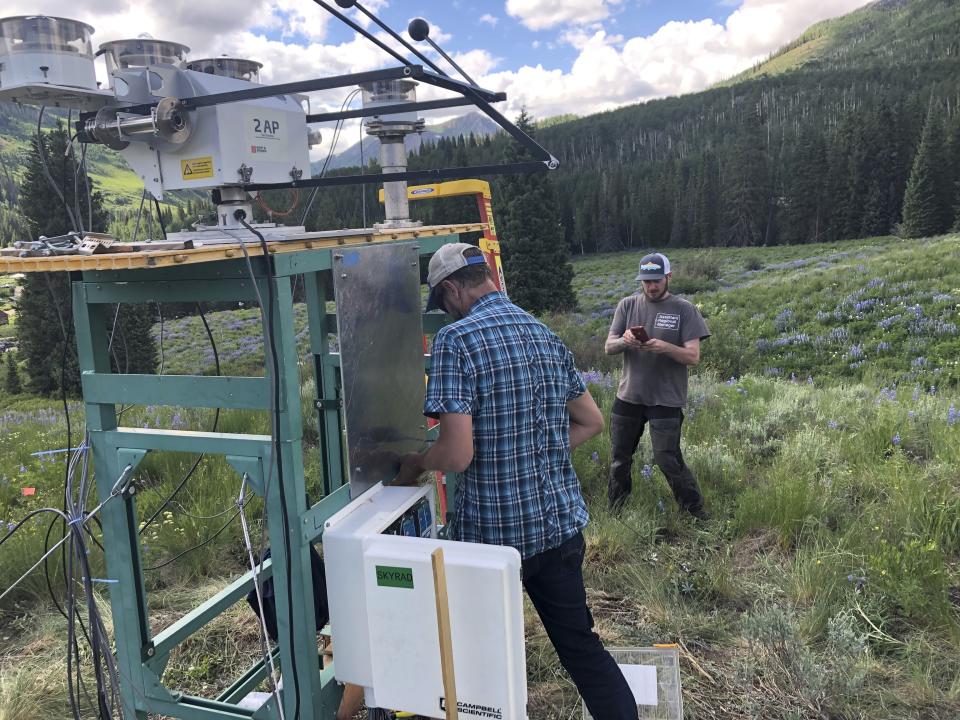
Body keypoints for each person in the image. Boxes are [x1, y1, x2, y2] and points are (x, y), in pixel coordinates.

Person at [396, 243, 638, 720]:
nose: (445, 314)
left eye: (442, 305)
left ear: (451, 290)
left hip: (493, 542)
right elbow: (589, 422)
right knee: (582, 650)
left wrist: (414, 464)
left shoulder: (457, 341)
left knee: (475, 663)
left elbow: (458, 456)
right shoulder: (543, 333)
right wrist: (532, 448)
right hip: (559, 529)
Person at [604, 252, 710, 519]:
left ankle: (695, 512)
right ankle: (615, 511)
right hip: (629, 396)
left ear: (668, 277)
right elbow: (609, 347)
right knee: (619, 459)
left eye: (657, 280)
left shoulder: (685, 310)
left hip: (666, 399)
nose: (651, 286)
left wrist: (664, 347)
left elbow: (693, 356)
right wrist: (625, 341)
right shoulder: (627, 305)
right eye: (646, 281)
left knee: (667, 459)